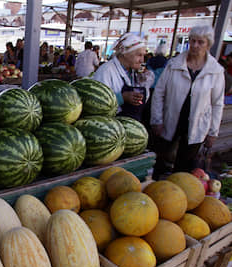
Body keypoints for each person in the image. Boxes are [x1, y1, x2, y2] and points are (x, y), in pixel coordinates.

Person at [150, 25, 225, 179]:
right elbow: (159, 92)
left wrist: (213, 132)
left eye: (200, 42)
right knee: (160, 160)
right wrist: (156, 120)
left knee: (184, 167)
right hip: (170, 120)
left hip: (197, 125)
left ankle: (178, 196)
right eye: (192, 41)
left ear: (208, 45)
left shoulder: (215, 71)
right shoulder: (174, 64)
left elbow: (217, 103)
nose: (195, 46)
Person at [93, 33, 154, 122]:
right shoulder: (106, 71)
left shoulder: (133, 71)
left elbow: (145, 96)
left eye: (143, 56)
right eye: (139, 55)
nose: (142, 60)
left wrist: (144, 79)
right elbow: (97, 104)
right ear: (125, 53)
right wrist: (122, 98)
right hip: (112, 124)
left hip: (131, 124)